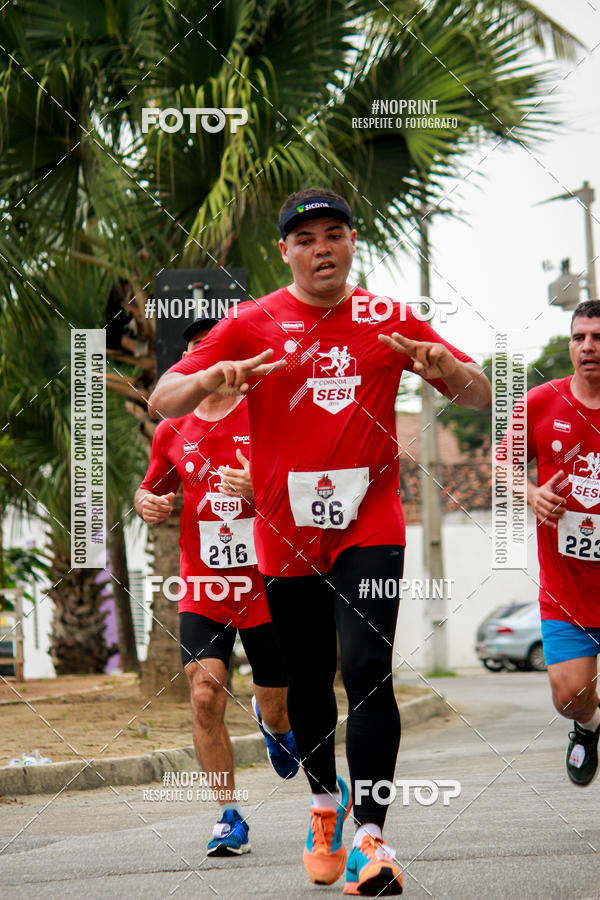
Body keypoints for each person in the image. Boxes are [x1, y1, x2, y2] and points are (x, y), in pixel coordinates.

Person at [148, 188, 491, 895]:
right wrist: (213, 375)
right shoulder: (253, 321)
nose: (322, 248)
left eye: (334, 234)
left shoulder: (388, 317)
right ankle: (324, 806)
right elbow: (164, 400)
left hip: (369, 522)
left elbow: (481, 393)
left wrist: (444, 369)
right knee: (306, 683)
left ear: (352, 242)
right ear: (286, 252)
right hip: (284, 532)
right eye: (306, 239)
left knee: (367, 670)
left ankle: (372, 837)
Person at [136, 316, 299, 857]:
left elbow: (306, 493)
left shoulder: (269, 415)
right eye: (197, 358)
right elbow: (151, 489)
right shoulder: (171, 429)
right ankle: (228, 815)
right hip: (204, 586)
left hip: (267, 579)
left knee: (276, 706)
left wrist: (261, 489)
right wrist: (147, 503)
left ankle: (274, 728)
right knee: (204, 690)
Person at [499, 299, 600, 787]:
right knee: (569, 696)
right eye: (580, 337)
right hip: (567, 589)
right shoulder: (541, 402)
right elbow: (502, 467)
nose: (589, 347)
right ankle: (587, 726)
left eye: (598, 338)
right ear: (570, 345)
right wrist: (532, 493)